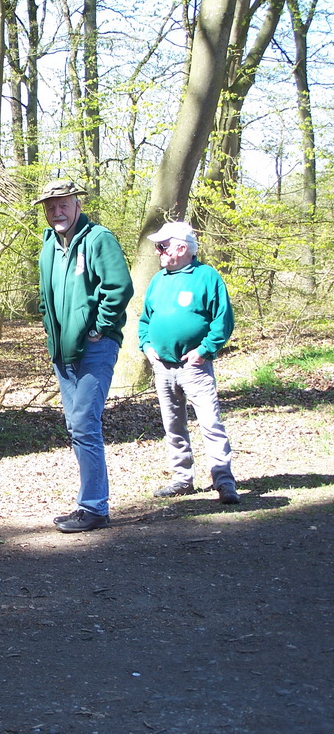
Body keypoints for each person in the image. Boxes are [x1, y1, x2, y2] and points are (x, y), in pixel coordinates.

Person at [35, 179, 134, 533]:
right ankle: (90, 504)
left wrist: (99, 328)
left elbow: (119, 288)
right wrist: (51, 332)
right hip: (63, 350)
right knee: (76, 425)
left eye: (63, 204)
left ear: (78, 205)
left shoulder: (98, 239)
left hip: (96, 346)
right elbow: (45, 297)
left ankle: (94, 508)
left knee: (84, 423)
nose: (57, 212)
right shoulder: (49, 246)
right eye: (51, 207)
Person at [139, 221, 240, 505]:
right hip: (163, 367)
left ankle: (224, 481)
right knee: (173, 426)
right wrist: (146, 346)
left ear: (182, 248)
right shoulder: (158, 280)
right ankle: (182, 479)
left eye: (162, 246)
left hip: (195, 367)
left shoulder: (206, 277)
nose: (157, 251)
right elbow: (145, 320)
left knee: (210, 423)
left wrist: (205, 350)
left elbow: (223, 320)